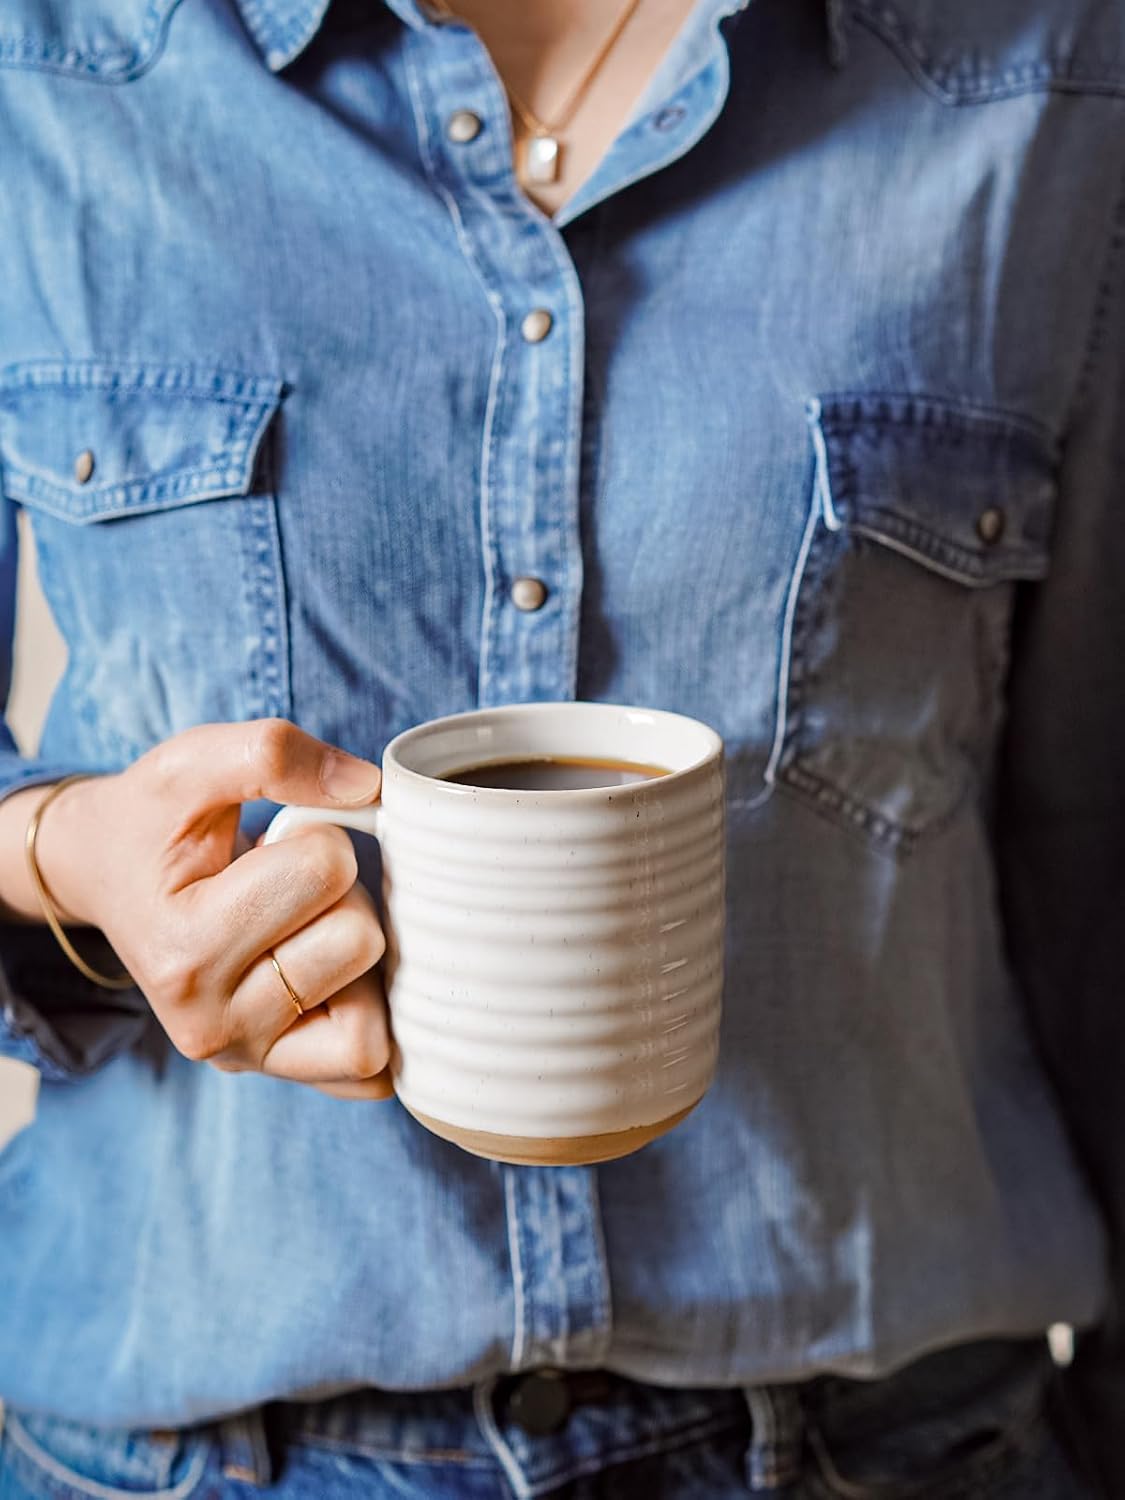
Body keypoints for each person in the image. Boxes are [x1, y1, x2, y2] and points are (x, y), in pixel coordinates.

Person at [0, 0, 1121, 1494]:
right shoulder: (46, 59)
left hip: (897, 1448)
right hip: (181, 1445)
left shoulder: (1048, 69)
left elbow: (1101, 852)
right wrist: (63, 861)